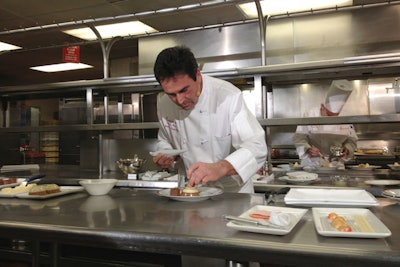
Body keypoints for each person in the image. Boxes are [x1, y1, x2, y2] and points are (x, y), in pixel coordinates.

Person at [152, 46, 267, 193]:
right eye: (171, 94)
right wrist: (167, 154)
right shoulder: (164, 104)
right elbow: (164, 139)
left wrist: (221, 167)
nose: (180, 100)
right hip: (190, 190)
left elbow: (256, 145)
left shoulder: (228, 96)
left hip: (230, 193)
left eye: (184, 90)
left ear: (198, 75)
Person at [293, 80, 358, 169]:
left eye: (335, 116)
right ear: (322, 107)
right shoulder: (309, 115)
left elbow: (352, 141)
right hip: (312, 164)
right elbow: (299, 139)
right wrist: (308, 149)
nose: (331, 120)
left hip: (336, 165)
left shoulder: (345, 118)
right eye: (329, 115)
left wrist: (346, 149)